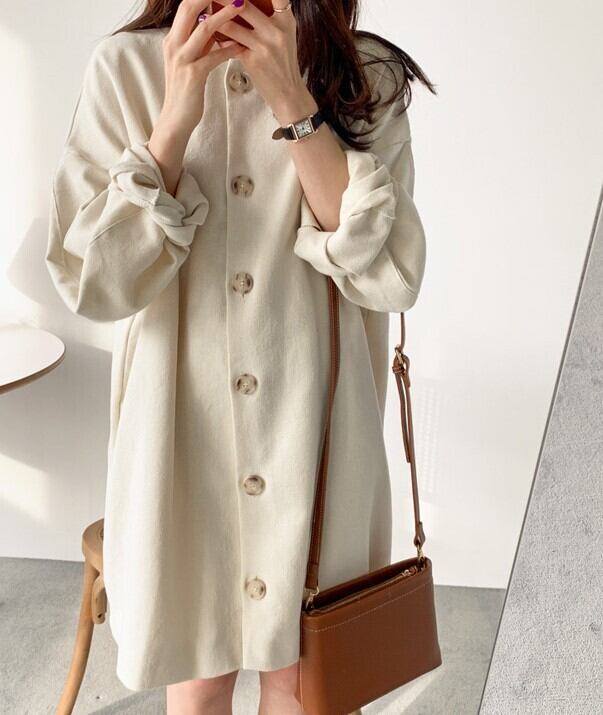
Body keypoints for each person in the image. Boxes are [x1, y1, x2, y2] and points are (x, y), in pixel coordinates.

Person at [45, 0, 436, 712]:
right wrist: (174, 118)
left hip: (317, 427)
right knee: (197, 673)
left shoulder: (363, 72)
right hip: (179, 429)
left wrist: (293, 101)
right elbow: (95, 282)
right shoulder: (127, 69)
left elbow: (387, 277)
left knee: (304, 678)